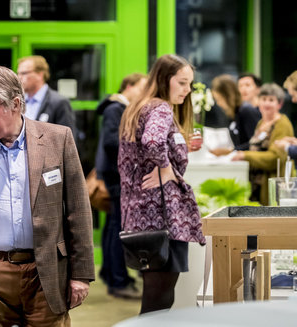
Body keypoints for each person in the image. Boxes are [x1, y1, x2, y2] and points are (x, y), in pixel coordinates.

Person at [0, 65, 94, 325]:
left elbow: (78, 210)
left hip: (45, 272)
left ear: (16, 104)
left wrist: (81, 274)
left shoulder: (58, 139)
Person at [118, 54, 206, 314]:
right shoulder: (160, 107)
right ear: (164, 79)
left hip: (145, 216)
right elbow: (153, 142)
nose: (187, 90)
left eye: (189, 84)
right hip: (161, 219)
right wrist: (167, 169)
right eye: (182, 83)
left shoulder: (141, 106)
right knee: (159, 301)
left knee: (156, 298)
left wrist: (181, 146)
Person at [95, 73, 146, 299]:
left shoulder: (117, 108)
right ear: (129, 86)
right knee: (118, 228)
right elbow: (110, 142)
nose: (144, 94)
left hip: (116, 172)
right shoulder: (115, 109)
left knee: (112, 226)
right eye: (141, 88)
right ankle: (118, 281)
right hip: (118, 174)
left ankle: (110, 273)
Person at [231, 83, 294, 205]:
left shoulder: (282, 124)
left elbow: (275, 158)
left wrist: (246, 155)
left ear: (279, 104)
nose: (266, 103)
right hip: (256, 185)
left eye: (271, 100)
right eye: (263, 99)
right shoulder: (261, 123)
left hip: (274, 187)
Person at [17, 55, 76, 134]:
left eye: (24, 73)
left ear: (40, 75)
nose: (19, 77)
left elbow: (68, 140)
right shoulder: (18, 101)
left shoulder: (59, 102)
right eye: (18, 73)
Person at [209, 74, 261, 156]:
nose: (218, 103)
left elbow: (256, 143)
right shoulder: (235, 114)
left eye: (219, 99)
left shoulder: (246, 111)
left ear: (228, 96)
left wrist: (231, 151)